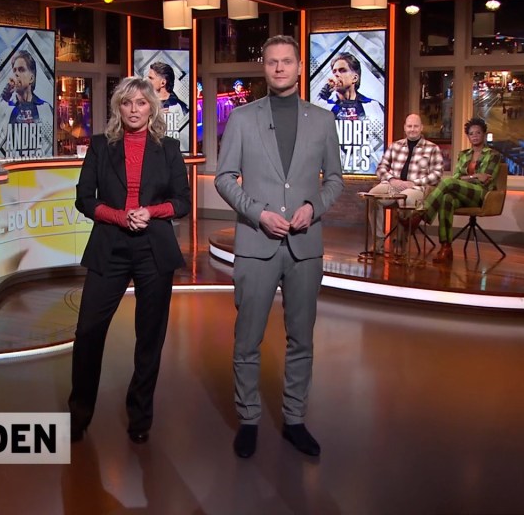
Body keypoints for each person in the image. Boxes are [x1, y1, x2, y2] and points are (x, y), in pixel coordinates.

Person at [215, 35, 344, 459]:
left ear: (300, 67)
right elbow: (224, 178)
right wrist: (258, 213)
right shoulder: (242, 119)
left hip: (305, 245)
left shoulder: (322, 120)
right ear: (264, 67)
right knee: (247, 339)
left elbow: (335, 180)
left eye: (287, 61)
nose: (279, 68)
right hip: (257, 243)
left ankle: (294, 419)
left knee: (301, 339)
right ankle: (249, 419)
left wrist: (313, 207)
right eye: (272, 61)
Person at [69, 76, 191, 445]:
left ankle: (140, 416)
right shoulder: (100, 146)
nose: (134, 109)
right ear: (117, 107)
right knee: (88, 331)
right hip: (110, 244)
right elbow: (84, 199)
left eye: (140, 102)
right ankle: (78, 414)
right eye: (126, 102)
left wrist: (151, 212)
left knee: (149, 337)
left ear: (152, 107)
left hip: (154, 247)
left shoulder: (168, 148)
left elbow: (182, 201)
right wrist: (120, 217)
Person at [410, 117, 503, 264]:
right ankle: (445, 247)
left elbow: (486, 179)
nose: (474, 136)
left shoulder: (493, 155)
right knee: (446, 198)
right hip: (464, 193)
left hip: (482, 194)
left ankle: (420, 214)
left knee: (447, 182)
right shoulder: (463, 154)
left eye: (478, 133)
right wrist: (474, 176)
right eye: (471, 133)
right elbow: (458, 177)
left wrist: (468, 177)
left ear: (484, 134)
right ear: (468, 136)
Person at [368, 113, 444, 246]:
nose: (412, 129)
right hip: (392, 184)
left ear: (421, 128)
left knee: (405, 199)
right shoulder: (395, 146)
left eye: (415, 126)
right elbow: (380, 168)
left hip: (415, 188)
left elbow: (437, 174)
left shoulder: (432, 148)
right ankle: (378, 242)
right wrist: (392, 180)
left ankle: (401, 241)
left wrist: (413, 183)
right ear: (404, 128)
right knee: (372, 197)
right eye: (409, 126)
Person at [317, 51, 384, 121]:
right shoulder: (326, 106)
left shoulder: (373, 106)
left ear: (355, 78)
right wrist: (328, 87)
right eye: (334, 71)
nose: (336, 74)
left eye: (342, 70)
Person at [0, 49, 53, 125]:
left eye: (21, 70)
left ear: (31, 78)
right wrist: (5, 95)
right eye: (14, 70)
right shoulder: (7, 108)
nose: (16, 74)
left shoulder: (45, 108)